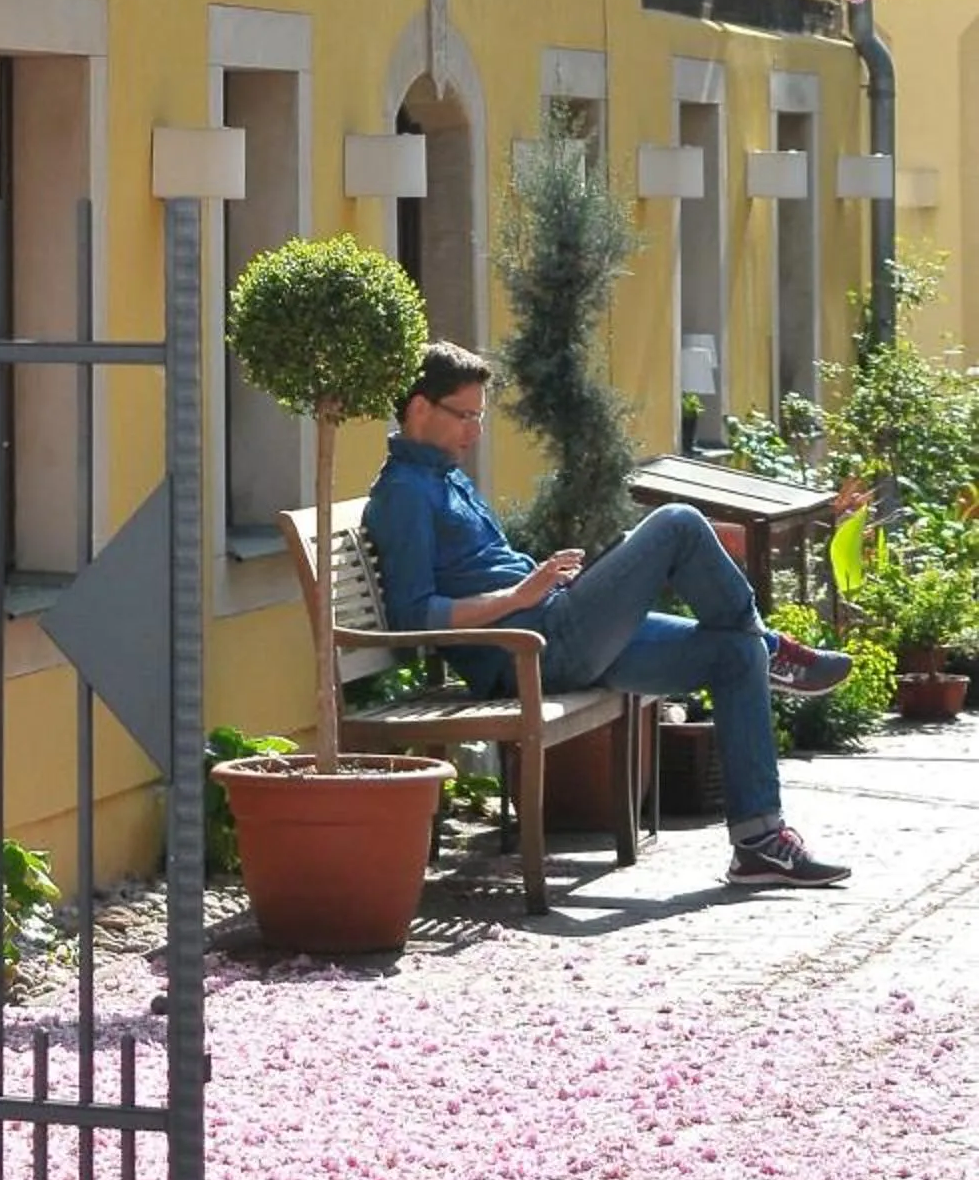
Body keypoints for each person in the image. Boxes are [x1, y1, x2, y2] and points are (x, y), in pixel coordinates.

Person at [366, 340, 854, 889]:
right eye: (464, 416)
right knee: (677, 523)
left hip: (553, 624)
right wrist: (518, 597)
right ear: (419, 408)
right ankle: (774, 648)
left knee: (735, 654)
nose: (474, 432)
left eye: (480, 417)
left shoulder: (444, 476)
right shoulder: (403, 494)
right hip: (532, 651)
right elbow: (414, 615)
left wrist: (541, 583)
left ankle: (759, 844)